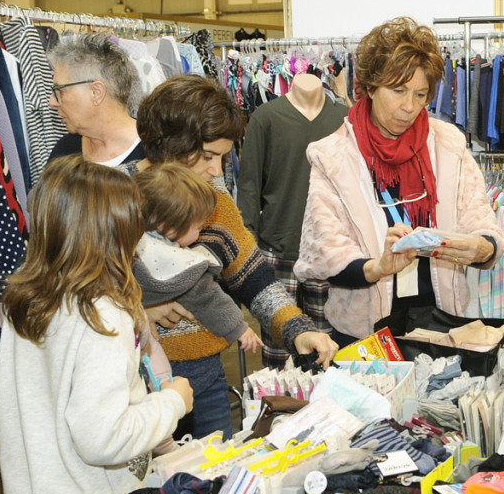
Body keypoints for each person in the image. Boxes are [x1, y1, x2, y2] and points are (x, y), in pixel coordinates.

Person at [0, 156, 194, 494]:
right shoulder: (100, 315)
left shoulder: (29, 302)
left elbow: (5, 401)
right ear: (111, 234)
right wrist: (172, 403)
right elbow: (103, 438)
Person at [124, 74, 339, 439]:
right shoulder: (116, 200)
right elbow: (77, 297)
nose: (215, 170)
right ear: (167, 145)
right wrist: (136, 313)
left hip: (207, 379)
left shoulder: (215, 199)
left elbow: (253, 277)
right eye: (207, 156)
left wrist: (297, 329)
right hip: (137, 385)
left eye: (223, 157)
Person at [294, 17, 504, 345]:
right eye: (397, 91)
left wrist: (482, 247)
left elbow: (478, 219)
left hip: (442, 325)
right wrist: (378, 267)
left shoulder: (447, 144)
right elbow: (327, 252)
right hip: (365, 333)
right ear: (370, 86)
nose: (409, 107)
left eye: (420, 94)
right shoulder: (333, 156)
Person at [236, 72, 348, 368]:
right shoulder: (266, 118)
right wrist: (246, 245)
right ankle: (278, 409)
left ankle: (324, 410)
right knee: (278, 349)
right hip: (277, 245)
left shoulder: (344, 119)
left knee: (325, 348)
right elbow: (248, 185)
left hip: (327, 248)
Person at [135, 162, 264, 354]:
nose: (201, 232)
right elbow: (207, 297)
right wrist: (239, 328)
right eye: (198, 227)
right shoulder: (178, 264)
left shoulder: (127, 241)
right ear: (169, 227)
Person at [47, 33, 145, 166]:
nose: (51, 102)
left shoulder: (156, 154)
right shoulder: (65, 149)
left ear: (96, 93)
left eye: (60, 91)